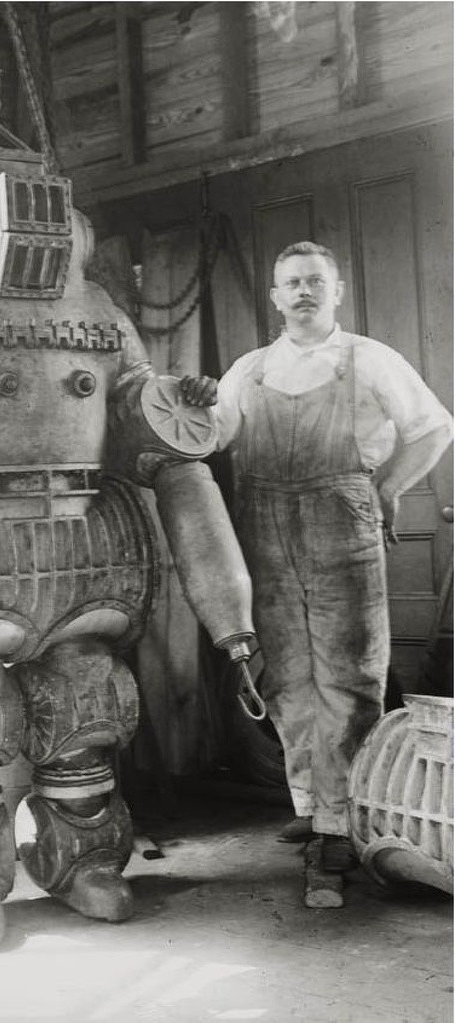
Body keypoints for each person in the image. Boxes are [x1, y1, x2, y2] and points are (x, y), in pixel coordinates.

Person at [181, 240, 452, 887]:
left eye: (314, 281)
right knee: (286, 678)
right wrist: (192, 402)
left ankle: (345, 819)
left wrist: (387, 487)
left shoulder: (370, 358)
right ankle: (313, 805)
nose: (303, 291)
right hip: (263, 529)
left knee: (349, 675)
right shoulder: (250, 370)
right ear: (276, 297)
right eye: (292, 282)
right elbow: (213, 436)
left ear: (336, 292)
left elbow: (435, 427)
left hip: (343, 520)